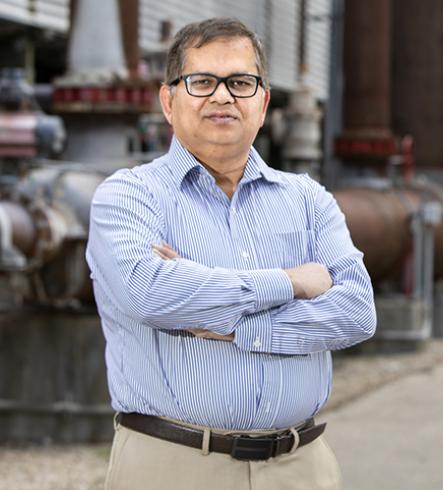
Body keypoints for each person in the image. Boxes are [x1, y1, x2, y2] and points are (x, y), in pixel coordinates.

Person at [85, 17, 376, 490]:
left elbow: (357, 313)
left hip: (300, 468)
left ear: (262, 102)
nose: (223, 96)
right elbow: (151, 296)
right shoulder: (128, 197)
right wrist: (291, 283)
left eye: (240, 82)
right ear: (168, 100)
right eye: (201, 82)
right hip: (173, 466)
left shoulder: (308, 200)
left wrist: (234, 322)